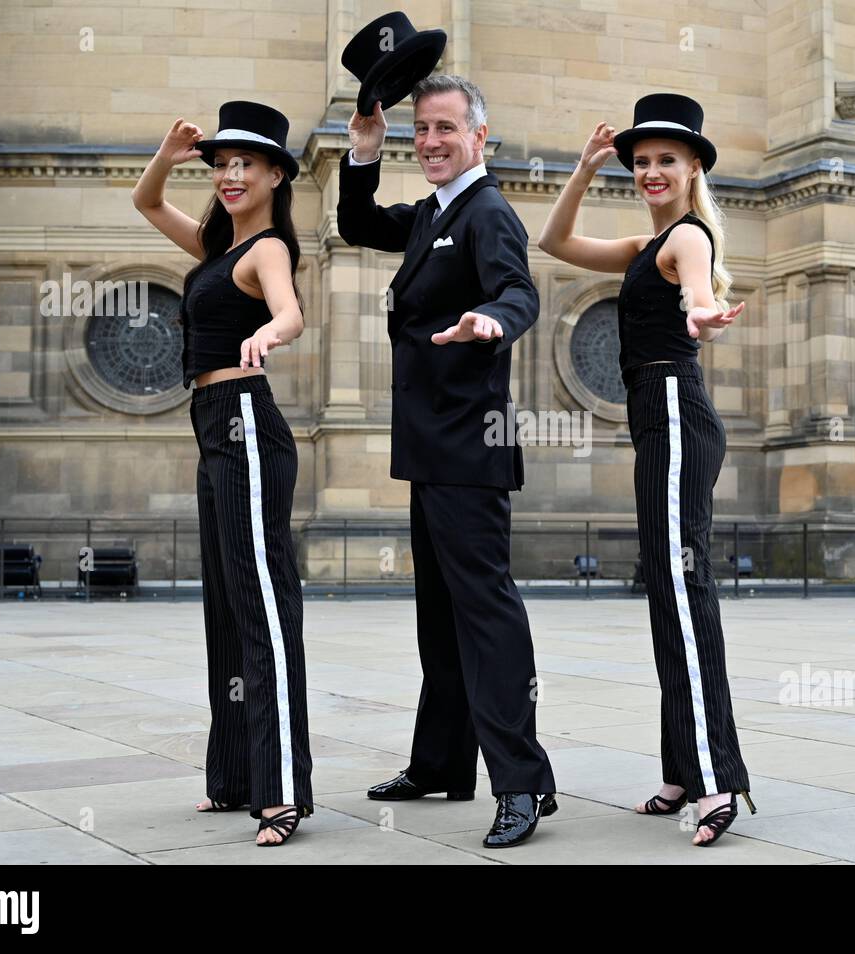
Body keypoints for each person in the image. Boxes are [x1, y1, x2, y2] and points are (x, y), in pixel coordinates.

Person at [337, 74, 557, 849]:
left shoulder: (488, 210)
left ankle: (524, 784)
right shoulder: (436, 210)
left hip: (471, 445)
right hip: (433, 446)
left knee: (487, 616)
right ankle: (440, 763)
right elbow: (359, 222)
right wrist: (363, 151)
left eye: (445, 129)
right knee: (441, 616)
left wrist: (492, 321)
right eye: (421, 129)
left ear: (478, 140)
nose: (430, 141)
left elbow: (520, 291)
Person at [538, 93, 754, 846]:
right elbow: (555, 240)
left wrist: (700, 312)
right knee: (666, 588)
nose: (652, 171)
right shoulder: (643, 245)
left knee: (685, 591)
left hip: (671, 405)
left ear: (695, 165)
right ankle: (683, 768)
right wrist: (584, 167)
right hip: (656, 413)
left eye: (667, 158)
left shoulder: (686, 239)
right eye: (641, 161)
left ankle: (717, 777)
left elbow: (697, 288)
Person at [131, 101, 313, 846]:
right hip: (210, 422)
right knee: (225, 605)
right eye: (222, 164)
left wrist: (268, 332)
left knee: (264, 605)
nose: (232, 175)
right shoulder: (213, 246)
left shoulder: (265, 247)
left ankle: (282, 792)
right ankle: (236, 776)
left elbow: (292, 313)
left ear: (275, 174)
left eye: (247, 164)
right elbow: (145, 200)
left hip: (245, 418)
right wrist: (169, 153)